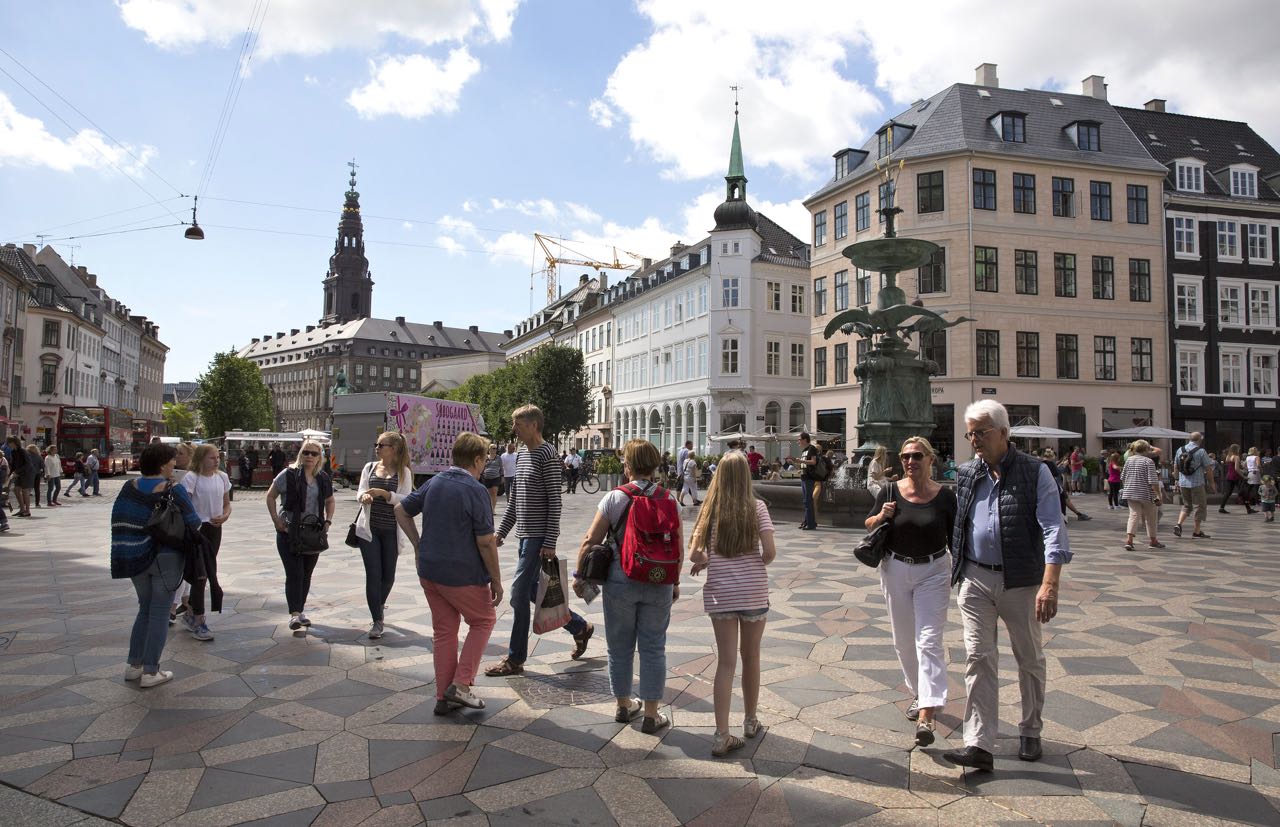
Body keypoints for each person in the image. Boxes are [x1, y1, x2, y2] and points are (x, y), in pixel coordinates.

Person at [943, 400, 1071, 772]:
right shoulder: (967, 473)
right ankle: (979, 743)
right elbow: (960, 521)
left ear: (1003, 432)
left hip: (1020, 580)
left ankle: (1031, 728)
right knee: (978, 657)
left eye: (981, 432)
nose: (974, 440)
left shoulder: (1036, 472)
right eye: (970, 433)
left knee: (1028, 658)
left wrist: (1051, 583)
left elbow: (1053, 527)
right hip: (975, 578)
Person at [573, 439, 681, 737]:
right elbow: (677, 546)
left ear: (628, 466)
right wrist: (675, 581)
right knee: (653, 646)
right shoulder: (668, 499)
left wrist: (580, 574)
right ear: (655, 465)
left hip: (621, 580)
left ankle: (622, 704)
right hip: (659, 579)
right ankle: (650, 713)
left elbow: (590, 540)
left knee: (619, 646)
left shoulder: (615, 498)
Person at [396, 432, 502, 713]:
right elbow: (486, 541)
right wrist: (497, 580)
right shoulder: (476, 490)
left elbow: (400, 509)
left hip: (430, 570)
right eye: (485, 461)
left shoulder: (435, 482)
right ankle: (462, 684)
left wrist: (418, 545)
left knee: (444, 631)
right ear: (477, 460)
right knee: (483, 620)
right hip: (462, 573)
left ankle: (443, 696)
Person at [484, 405, 594, 677]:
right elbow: (515, 500)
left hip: (537, 539)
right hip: (524, 536)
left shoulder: (547, 454)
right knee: (534, 591)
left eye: (518, 424)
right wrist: (503, 532)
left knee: (518, 594)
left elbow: (554, 502)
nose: (514, 430)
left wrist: (550, 541)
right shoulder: (521, 454)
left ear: (533, 425)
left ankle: (515, 659)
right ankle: (579, 627)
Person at [865, 436, 956, 748]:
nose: (910, 461)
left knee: (928, 640)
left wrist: (962, 572)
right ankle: (920, 693)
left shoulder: (945, 497)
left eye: (917, 456)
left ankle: (927, 713)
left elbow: (956, 536)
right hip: (895, 568)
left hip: (934, 570)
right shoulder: (891, 490)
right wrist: (883, 516)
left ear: (930, 459)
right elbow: (870, 523)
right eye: (905, 456)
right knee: (903, 642)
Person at [687, 451, 773, 755]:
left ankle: (721, 734)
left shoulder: (709, 511)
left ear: (719, 476)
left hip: (720, 593)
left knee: (725, 663)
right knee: (751, 657)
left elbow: (694, 555)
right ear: (746, 476)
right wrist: (756, 563)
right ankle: (750, 721)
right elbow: (770, 551)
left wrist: (710, 559)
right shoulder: (758, 507)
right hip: (752, 592)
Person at [111, 442, 200, 688]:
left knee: (145, 609)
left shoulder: (128, 488)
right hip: (166, 558)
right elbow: (194, 522)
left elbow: (119, 521)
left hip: (134, 557)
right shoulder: (174, 489)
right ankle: (151, 670)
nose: (175, 464)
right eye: (172, 460)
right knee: (160, 612)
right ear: (162, 465)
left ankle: (134, 665)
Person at [265, 439, 336, 631]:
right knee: (294, 572)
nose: (310, 457)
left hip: (313, 532)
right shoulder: (287, 474)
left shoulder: (322, 477)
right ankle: (295, 614)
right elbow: (270, 496)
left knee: (306, 574)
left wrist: (328, 521)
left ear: (320, 457)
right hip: (289, 531)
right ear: (300, 454)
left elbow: (330, 500)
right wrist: (275, 520)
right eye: (306, 452)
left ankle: (300, 610)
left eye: (314, 453)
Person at [354, 431, 414, 639]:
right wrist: (364, 497)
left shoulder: (404, 472)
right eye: (377, 444)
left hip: (391, 530)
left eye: (381, 444)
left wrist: (385, 494)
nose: (377, 448)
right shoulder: (369, 467)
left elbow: (406, 500)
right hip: (368, 531)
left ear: (394, 449)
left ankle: (378, 604)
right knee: (373, 574)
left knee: (388, 576)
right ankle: (377, 620)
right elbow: (360, 490)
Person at [178, 444, 232, 641]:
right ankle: (199, 619)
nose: (216, 460)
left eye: (218, 457)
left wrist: (225, 516)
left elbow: (226, 503)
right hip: (197, 529)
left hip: (215, 529)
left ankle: (191, 613)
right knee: (200, 575)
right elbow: (184, 505)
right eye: (211, 457)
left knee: (207, 571)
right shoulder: (192, 478)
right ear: (201, 459)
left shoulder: (222, 477)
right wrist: (193, 524)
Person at [1119, 440, 1163, 551]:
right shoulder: (1148, 462)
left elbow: (1123, 477)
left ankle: (1129, 540)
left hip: (1130, 492)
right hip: (1146, 493)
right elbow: (1153, 481)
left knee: (1133, 515)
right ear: (1146, 449)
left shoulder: (1129, 460)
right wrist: (1158, 495)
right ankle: (1153, 540)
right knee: (1151, 517)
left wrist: (1128, 487)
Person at [170, 442, 195, 624]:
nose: (176, 456)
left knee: (182, 565)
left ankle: (172, 606)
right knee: (184, 565)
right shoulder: (172, 474)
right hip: (173, 523)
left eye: (180, 453)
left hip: (188, 525)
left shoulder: (192, 477)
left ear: (190, 456)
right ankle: (186, 602)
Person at [1172, 432, 1215, 539]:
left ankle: (1179, 524)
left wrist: (1177, 480)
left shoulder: (1180, 450)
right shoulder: (1201, 451)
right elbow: (1208, 469)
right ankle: (1197, 531)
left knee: (1187, 505)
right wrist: (1212, 483)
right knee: (1199, 506)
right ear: (1200, 440)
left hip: (1183, 483)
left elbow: (1176, 466)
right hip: (1197, 483)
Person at [1219, 444, 1253, 514]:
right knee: (1243, 492)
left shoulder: (1228, 456)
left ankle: (1221, 507)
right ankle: (1248, 509)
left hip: (1229, 476)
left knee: (1228, 493)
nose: (1239, 450)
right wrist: (1243, 476)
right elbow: (1236, 469)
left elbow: (1230, 467)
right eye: (1238, 449)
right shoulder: (1236, 457)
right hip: (1235, 476)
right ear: (1236, 449)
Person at [798, 432, 820, 530]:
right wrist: (796, 463)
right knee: (806, 501)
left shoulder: (812, 449)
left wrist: (801, 461)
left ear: (805, 439)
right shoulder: (804, 451)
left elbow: (813, 461)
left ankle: (811, 524)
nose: (798, 441)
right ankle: (807, 521)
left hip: (809, 478)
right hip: (803, 477)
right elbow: (805, 465)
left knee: (808, 501)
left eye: (799, 439)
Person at [5, 437, 32, 517]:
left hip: (26, 473)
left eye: (9, 443)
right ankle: (22, 509)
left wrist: (17, 472)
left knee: (25, 491)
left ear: (14, 442)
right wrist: (10, 474)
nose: (8, 445)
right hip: (18, 473)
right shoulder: (13, 452)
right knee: (16, 490)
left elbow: (28, 464)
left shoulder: (23, 451)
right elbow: (13, 464)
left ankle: (27, 511)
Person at [480, 444, 503, 511]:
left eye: (495, 448)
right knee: (488, 494)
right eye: (493, 448)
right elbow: (482, 466)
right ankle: (489, 508)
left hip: (496, 477)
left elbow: (501, 468)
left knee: (494, 492)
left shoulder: (498, 457)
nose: (494, 449)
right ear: (489, 449)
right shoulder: (486, 457)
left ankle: (493, 509)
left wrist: (502, 477)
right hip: (486, 477)